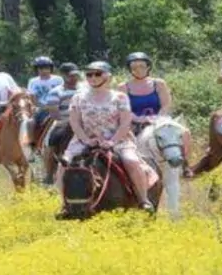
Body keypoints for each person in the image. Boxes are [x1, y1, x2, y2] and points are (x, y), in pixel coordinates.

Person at [62, 61, 157, 212]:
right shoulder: (78, 98)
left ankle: (143, 199)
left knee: (131, 161)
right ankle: (65, 204)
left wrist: (112, 142)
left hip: (119, 140)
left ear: (108, 76)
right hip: (85, 140)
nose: (93, 77)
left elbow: (125, 122)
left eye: (97, 74)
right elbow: (75, 122)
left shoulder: (120, 97)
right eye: (89, 74)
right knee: (64, 165)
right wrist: (86, 140)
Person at [27, 56, 63, 130]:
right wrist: (43, 107)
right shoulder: (33, 81)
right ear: (37, 69)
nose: (44, 71)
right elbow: (33, 99)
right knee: (30, 123)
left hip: (58, 107)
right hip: (42, 108)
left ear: (50, 69)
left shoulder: (58, 80)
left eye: (46, 68)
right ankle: (30, 140)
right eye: (41, 68)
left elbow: (63, 94)